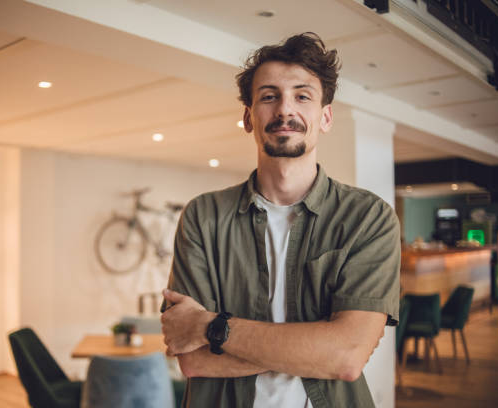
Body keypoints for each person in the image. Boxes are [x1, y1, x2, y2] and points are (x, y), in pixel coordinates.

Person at [161, 32, 400, 408]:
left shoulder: (367, 218)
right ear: (248, 117)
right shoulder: (203, 216)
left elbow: (346, 358)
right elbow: (194, 360)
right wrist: (313, 348)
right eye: (269, 96)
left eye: (302, 96)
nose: (285, 110)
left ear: (325, 117)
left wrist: (211, 328)